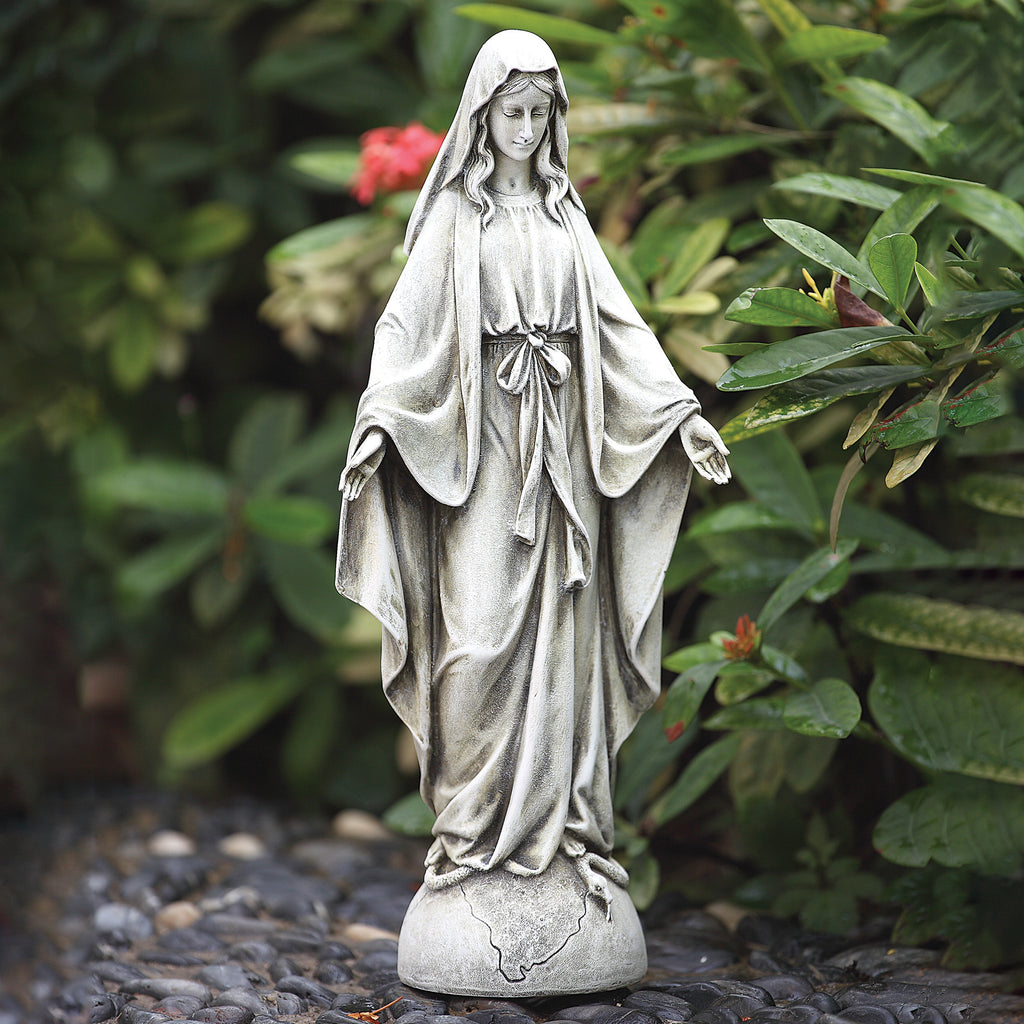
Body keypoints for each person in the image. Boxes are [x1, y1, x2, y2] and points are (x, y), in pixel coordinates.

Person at [337, 30, 730, 902]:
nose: (523, 128)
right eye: (510, 111)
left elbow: (622, 330)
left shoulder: (564, 217)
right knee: (477, 637)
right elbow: (404, 329)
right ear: (482, 115)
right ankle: (468, 836)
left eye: (538, 113)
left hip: (564, 454)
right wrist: (379, 422)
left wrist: (680, 417)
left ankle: (564, 834)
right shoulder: (455, 219)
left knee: (566, 637)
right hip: (484, 449)